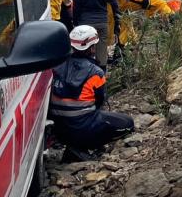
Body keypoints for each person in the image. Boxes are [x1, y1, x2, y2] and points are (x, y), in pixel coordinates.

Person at [50, 25, 134, 161]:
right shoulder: (96, 73)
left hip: (60, 131)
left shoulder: (55, 67)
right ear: (91, 48)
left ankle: (75, 148)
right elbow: (99, 101)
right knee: (128, 123)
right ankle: (83, 147)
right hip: (83, 128)